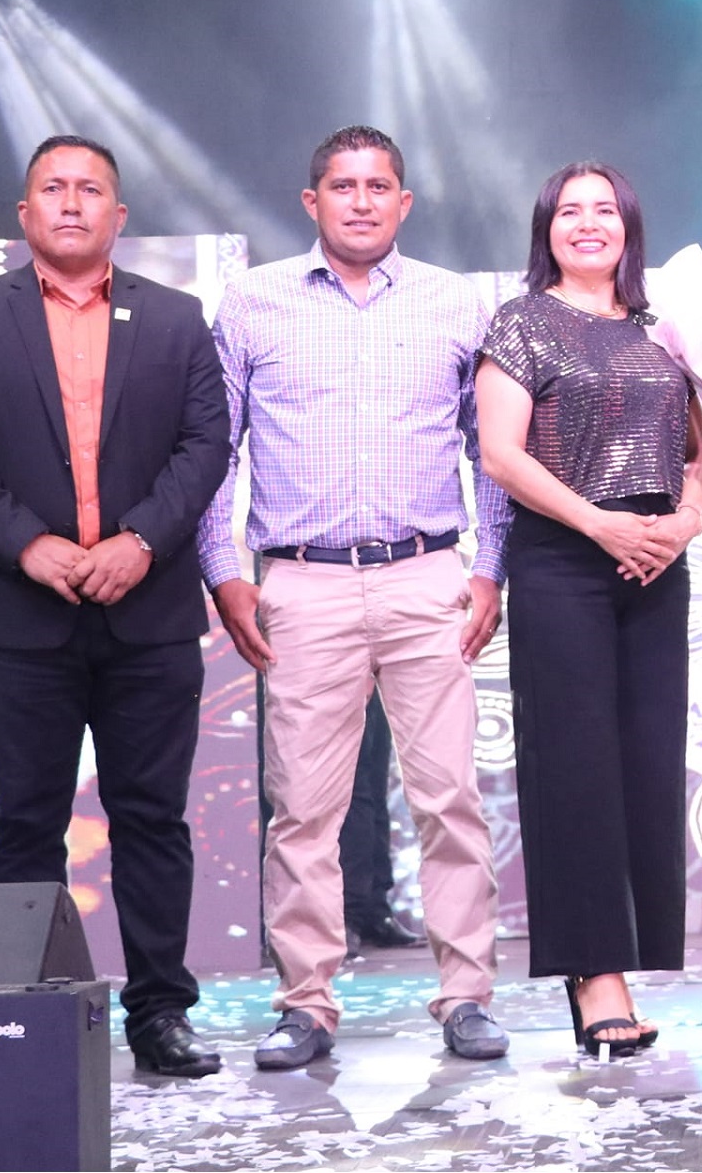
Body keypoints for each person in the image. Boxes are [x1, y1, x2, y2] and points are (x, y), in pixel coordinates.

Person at [0, 134, 230, 1077]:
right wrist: (27, 543)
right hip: (22, 611)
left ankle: (160, 1013)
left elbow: (206, 443)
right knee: (26, 821)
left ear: (118, 216)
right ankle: (23, 1022)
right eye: (53, 188)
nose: (72, 202)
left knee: (153, 820)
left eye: (91, 189)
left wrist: (142, 541)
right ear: (25, 213)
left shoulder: (175, 317)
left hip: (148, 610)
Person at [200, 125, 511, 1070]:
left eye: (380, 187)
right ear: (313, 201)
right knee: (302, 810)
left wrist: (490, 568)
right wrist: (225, 573)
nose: (363, 201)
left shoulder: (455, 301)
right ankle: (306, 1004)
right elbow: (216, 449)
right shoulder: (253, 302)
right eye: (344, 186)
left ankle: (467, 996)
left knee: (449, 800)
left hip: (427, 574)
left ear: (404, 203)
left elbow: (490, 448)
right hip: (301, 583)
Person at [476, 161, 702, 1058]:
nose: (588, 223)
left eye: (604, 209)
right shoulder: (520, 323)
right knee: (574, 767)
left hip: (656, 561)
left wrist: (686, 521)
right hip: (564, 559)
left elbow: (700, 455)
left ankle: (632, 957)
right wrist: (597, 523)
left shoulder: (663, 328)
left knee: (645, 764)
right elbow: (500, 454)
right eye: (569, 211)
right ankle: (594, 978)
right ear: (546, 229)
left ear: (628, 226)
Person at [338, 690, 425, 952]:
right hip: (332, 674)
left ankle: (374, 910)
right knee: (353, 789)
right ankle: (349, 914)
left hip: (375, 677)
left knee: (373, 786)